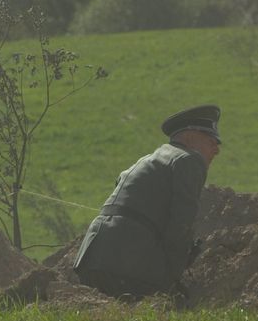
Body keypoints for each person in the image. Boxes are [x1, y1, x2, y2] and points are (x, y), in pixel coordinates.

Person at [73, 104, 222, 300]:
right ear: (189, 136)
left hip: (93, 257)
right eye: (211, 140)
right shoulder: (189, 161)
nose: (216, 150)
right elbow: (181, 224)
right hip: (129, 264)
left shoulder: (145, 161)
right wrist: (171, 280)